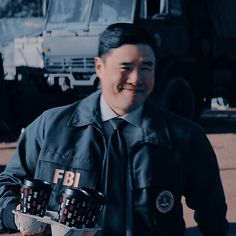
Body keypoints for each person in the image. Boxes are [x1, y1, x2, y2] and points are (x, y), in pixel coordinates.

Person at [0, 23, 228, 235]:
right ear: (99, 67)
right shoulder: (50, 127)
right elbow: (6, 185)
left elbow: (213, 218)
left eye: (146, 67)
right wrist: (17, 217)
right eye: (125, 67)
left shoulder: (185, 138)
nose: (136, 78)